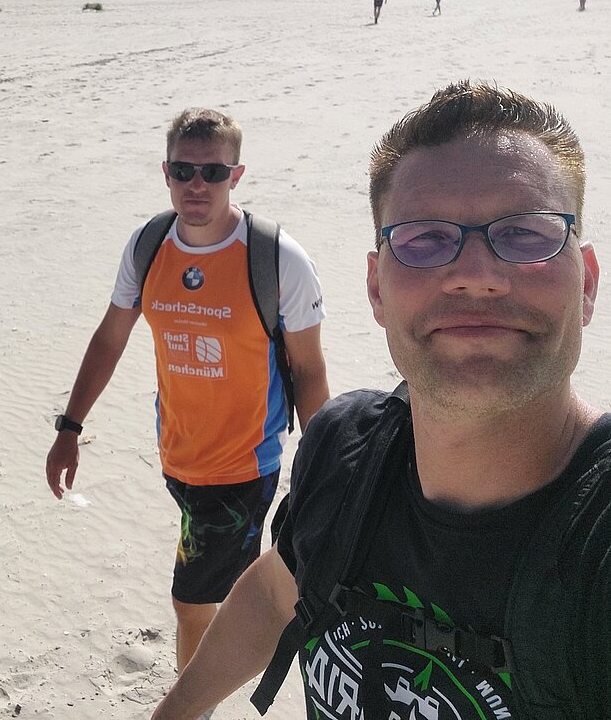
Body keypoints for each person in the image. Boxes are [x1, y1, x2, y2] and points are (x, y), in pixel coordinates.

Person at [152, 81, 610, 719]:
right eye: (424, 240)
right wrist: (177, 710)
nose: (475, 276)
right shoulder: (344, 450)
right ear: (375, 288)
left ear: (586, 282)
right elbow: (280, 588)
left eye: (527, 235)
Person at [45, 108, 330, 678]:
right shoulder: (149, 245)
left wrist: (324, 466)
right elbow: (110, 337)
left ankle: (192, 703)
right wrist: (70, 427)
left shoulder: (276, 258)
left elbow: (308, 368)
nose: (197, 185)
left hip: (241, 467)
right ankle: (268, 618)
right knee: (226, 591)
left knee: (191, 603)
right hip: (177, 458)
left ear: (236, 175)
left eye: (213, 172)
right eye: (183, 170)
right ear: (166, 172)